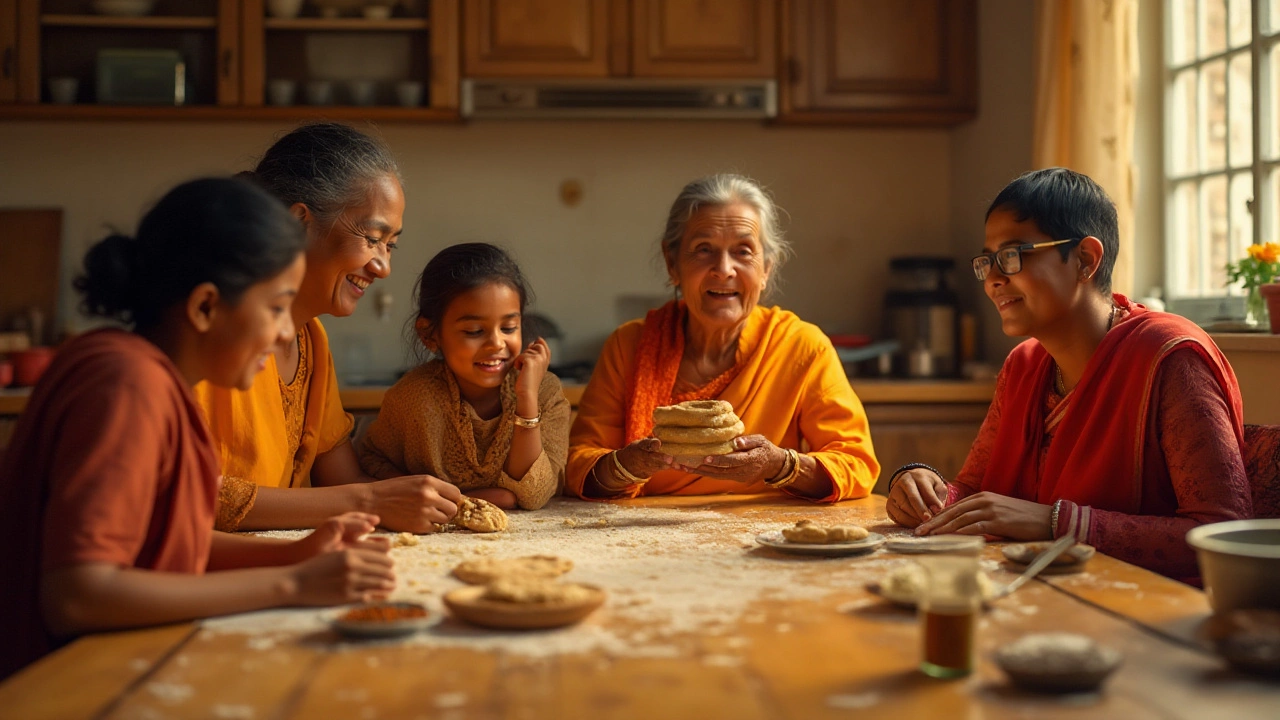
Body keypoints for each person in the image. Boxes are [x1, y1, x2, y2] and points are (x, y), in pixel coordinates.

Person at [0, 178, 397, 680]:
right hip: (62, 686)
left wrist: (294, 554)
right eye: (276, 308)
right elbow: (79, 595)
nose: (282, 332)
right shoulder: (127, 385)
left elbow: (167, 541)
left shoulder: (159, 382)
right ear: (205, 307)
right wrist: (293, 584)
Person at [886, 168, 1253, 583]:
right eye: (987, 260)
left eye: (1012, 255)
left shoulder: (1170, 358)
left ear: (1085, 260)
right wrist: (923, 490)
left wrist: (1057, 523)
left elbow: (1223, 539)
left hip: (1145, 616)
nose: (992, 278)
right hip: (1035, 594)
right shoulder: (1024, 365)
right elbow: (974, 493)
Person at [196, 123, 462, 534]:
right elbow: (189, 496)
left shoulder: (312, 339)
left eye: (390, 245)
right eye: (372, 238)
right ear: (299, 222)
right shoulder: (208, 331)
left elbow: (342, 483)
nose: (383, 267)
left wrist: (437, 502)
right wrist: (370, 501)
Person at [566, 174, 879, 501]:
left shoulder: (801, 347)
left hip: (762, 539)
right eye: (704, 250)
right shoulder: (628, 346)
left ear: (766, 268)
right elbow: (578, 464)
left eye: (743, 252)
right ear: (673, 263)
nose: (724, 269)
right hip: (640, 535)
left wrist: (780, 465)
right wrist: (628, 464)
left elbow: (855, 463)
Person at [359, 243, 570, 510]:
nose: (496, 343)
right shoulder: (412, 397)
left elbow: (533, 495)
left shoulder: (544, 392)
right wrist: (424, 494)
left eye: (508, 327)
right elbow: (372, 461)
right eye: (473, 331)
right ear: (429, 334)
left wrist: (527, 399)